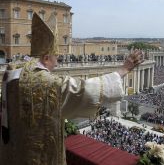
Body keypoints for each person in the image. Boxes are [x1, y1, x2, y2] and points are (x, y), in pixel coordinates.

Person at [0, 13, 144, 165]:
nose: (58, 63)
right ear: (46, 58)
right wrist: (124, 69)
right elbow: (84, 90)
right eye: (57, 57)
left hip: (13, 151)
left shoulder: (13, 70)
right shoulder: (47, 82)